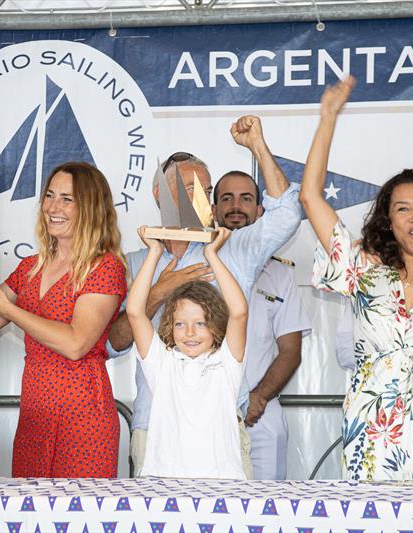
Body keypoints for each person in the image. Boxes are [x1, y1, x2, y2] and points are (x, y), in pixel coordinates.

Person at [301, 77, 413, 482]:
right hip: (371, 425)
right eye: (403, 209)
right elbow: (311, 198)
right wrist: (328, 116)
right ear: (389, 219)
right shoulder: (362, 270)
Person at [107, 116, 303, 477]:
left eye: (205, 189)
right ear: (159, 195)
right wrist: (160, 290)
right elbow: (112, 344)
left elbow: (289, 214)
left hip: (223, 427)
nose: (198, 197)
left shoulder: (233, 248)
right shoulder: (136, 262)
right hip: (155, 429)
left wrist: (257, 145)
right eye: (186, 187)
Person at [0, 162, 126, 478]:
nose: (53, 207)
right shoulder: (29, 267)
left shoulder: (105, 267)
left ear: (91, 208)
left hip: (84, 417)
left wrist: (8, 309)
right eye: (49, 195)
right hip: (35, 416)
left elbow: (75, 344)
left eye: (67, 199)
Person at [212, 170, 312, 480]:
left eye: (246, 199)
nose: (235, 207)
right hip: (206, 413)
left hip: (260, 415)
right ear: (213, 210)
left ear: (260, 210)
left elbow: (290, 350)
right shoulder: (197, 265)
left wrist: (259, 397)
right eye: (226, 199)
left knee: (267, 516)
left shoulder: (280, 275)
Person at [128, 226, 248, 479]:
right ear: (170, 326)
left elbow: (239, 311)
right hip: (164, 484)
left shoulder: (226, 363)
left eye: (201, 323)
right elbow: (135, 312)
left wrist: (212, 254)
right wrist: (154, 252)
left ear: (215, 325)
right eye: (181, 324)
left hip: (221, 486)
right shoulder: (162, 363)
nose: (190, 333)